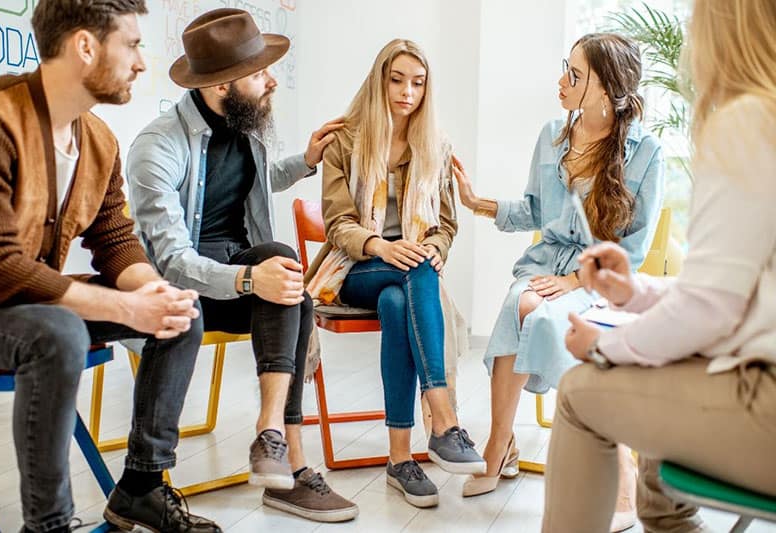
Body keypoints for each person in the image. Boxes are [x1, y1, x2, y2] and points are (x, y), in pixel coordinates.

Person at [0, 0, 222, 531]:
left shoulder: (99, 141)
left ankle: (141, 485)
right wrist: (123, 306)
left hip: (26, 301)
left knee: (182, 315)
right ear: (85, 47)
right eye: (131, 44)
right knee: (59, 331)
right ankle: (49, 524)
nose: (140, 62)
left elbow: (115, 241)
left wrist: (154, 294)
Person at [543, 1, 776, 531]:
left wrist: (603, 346)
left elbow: (712, 309)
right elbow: (740, 293)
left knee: (579, 393)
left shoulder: (749, 119)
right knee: (658, 470)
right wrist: (636, 292)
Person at [125, 8, 358, 523]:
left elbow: (253, 180)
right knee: (278, 278)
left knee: (285, 272)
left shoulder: (242, 125)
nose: (271, 80)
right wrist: (251, 278)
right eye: (259, 73)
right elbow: (172, 261)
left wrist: (307, 160)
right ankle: (291, 471)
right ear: (223, 86)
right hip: (181, 286)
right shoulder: (156, 148)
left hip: (233, 271)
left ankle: (270, 437)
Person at [452, 33, 664, 530]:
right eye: (563, 69)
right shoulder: (553, 135)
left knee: (537, 314)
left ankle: (613, 466)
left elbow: (632, 249)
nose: (561, 82)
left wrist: (574, 281)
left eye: (574, 74)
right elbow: (532, 210)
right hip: (544, 264)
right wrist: (475, 201)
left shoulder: (646, 151)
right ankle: (500, 444)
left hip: (603, 279)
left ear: (606, 85)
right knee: (520, 303)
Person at [305, 38, 483, 509]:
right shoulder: (344, 140)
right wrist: (381, 244)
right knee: (413, 271)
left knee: (399, 300)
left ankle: (400, 460)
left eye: (418, 83)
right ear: (380, 79)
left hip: (405, 278)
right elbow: (339, 223)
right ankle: (443, 419)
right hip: (354, 268)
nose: (407, 91)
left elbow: (445, 223)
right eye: (397, 79)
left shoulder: (435, 145)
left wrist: (435, 246)